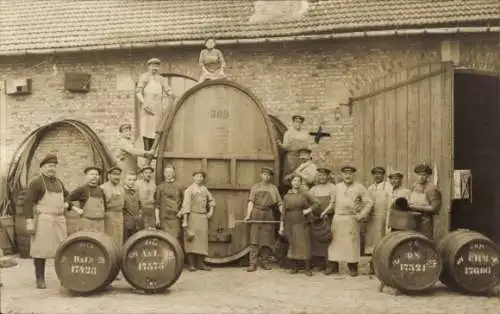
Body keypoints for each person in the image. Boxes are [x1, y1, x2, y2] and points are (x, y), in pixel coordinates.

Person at [23, 154, 73, 289]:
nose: (52, 169)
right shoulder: (37, 183)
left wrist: (67, 203)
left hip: (59, 220)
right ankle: (40, 278)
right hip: (44, 220)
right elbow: (28, 203)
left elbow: (68, 196)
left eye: (54, 166)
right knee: (40, 251)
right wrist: (29, 221)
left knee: (62, 250)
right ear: (42, 168)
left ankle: (64, 278)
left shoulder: (59, 182)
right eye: (49, 166)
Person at [327, 165, 374, 277]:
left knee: (352, 243)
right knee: (335, 242)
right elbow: (332, 203)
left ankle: (352, 267)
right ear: (342, 175)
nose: (348, 176)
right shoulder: (336, 187)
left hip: (351, 218)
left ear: (353, 175)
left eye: (350, 173)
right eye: (345, 173)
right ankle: (333, 266)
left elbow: (369, 202)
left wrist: (362, 214)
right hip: (338, 217)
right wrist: (324, 213)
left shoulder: (359, 187)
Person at [279, 174, 320, 276]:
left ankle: (307, 268)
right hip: (290, 222)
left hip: (302, 221)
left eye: (298, 180)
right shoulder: (287, 196)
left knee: (304, 244)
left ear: (301, 183)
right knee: (292, 244)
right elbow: (283, 212)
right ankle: (294, 267)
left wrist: (308, 210)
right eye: (294, 180)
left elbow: (317, 203)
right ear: (291, 182)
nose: (296, 182)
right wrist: (281, 225)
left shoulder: (305, 194)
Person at [244, 167, 282, 272]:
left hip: (268, 214)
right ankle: (252, 264)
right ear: (261, 175)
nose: (267, 177)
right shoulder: (255, 187)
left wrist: (283, 215)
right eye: (265, 174)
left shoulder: (273, 188)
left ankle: (265, 262)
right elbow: (250, 202)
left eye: (269, 175)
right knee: (254, 240)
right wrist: (248, 215)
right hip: (256, 213)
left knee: (267, 240)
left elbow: (279, 203)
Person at [178, 170, 216, 271]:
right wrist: (185, 221)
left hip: (202, 217)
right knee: (191, 239)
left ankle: (200, 264)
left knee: (202, 241)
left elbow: (211, 200)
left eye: (201, 177)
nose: (199, 178)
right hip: (192, 216)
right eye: (197, 176)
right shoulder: (189, 190)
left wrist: (210, 211)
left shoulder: (204, 189)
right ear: (193, 177)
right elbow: (186, 205)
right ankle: (191, 264)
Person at [136, 58, 174, 151]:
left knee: (155, 130)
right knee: (146, 129)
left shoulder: (161, 79)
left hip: (157, 108)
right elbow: (138, 92)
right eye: (153, 66)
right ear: (148, 66)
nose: (155, 68)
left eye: (157, 66)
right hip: (147, 107)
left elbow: (168, 90)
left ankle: (153, 151)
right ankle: (146, 151)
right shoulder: (144, 77)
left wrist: (171, 94)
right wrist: (144, 104)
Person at [310, 167, 336, 274]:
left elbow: (333, 203)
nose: (322, 177)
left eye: (324, 175)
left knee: (328, 241)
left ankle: (331, 265)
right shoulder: (314, 189)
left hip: (328, 217)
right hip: (317, 219)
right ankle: (320, 264)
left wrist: (325, 212)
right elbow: (309, 201)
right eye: (320, 175)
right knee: (317, 241)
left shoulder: (333, 188)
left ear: (328, 176)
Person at [66, 166, 107, 233]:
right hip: (87, 224)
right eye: (92, 174)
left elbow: (105, 207)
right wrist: (76, 209)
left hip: (100, 224)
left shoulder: (101, 190)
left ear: (99, 177)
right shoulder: (82, 189)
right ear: (86, 176)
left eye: (96, 174)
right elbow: (66, 199)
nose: (94, 176)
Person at [364, 167, 392, 256]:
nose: (377, 176)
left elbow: (390, 204)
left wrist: (388, 219)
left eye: (380, 174)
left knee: (381, 240)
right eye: (375, 174)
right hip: (371, 218)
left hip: (382, 217)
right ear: (373, 175)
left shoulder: (388, 186)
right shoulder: (370, 188)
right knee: (370, 241)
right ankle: (371, 261)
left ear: (383, 175)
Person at [408, 163, 442, 239]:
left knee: (424, 242)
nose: (421, 177)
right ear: (415, 175)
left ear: (427, 176)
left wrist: (414, 207)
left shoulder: (431, 188)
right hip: (413, 220)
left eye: (424, 175)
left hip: (425, 220)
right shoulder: (414, 186)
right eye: (419, 175)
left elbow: (435, 208)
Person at [155, 165, 183, 238]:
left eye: (170, 172)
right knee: (164, 239)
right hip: (164, 218)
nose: (168, 174)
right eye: (166, 172)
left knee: (175, 238)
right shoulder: (160, 187)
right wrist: (157, 219)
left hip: (175, 218)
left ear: (174, 173)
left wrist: (181, 211)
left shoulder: (179, 186)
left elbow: (185, 202)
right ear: (164, 173)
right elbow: (157, 205)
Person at [101, 166, 125, 250]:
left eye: (118, 175)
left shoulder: (121, 188)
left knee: (119, 238)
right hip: (109, 216)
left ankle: (118, 258)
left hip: (120, 216)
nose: (117, 177)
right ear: (109, 176)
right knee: (110, 238)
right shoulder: (103, 188)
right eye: (114, 174)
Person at [123, 172, 144, 240]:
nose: (132, 182)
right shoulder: (121, 191)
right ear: (124, 180)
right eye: (129, 180)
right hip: (125, 223)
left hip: (136, 223)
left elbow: (140, 204)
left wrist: (139, 214)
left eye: (134, 180)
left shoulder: (137, 191)